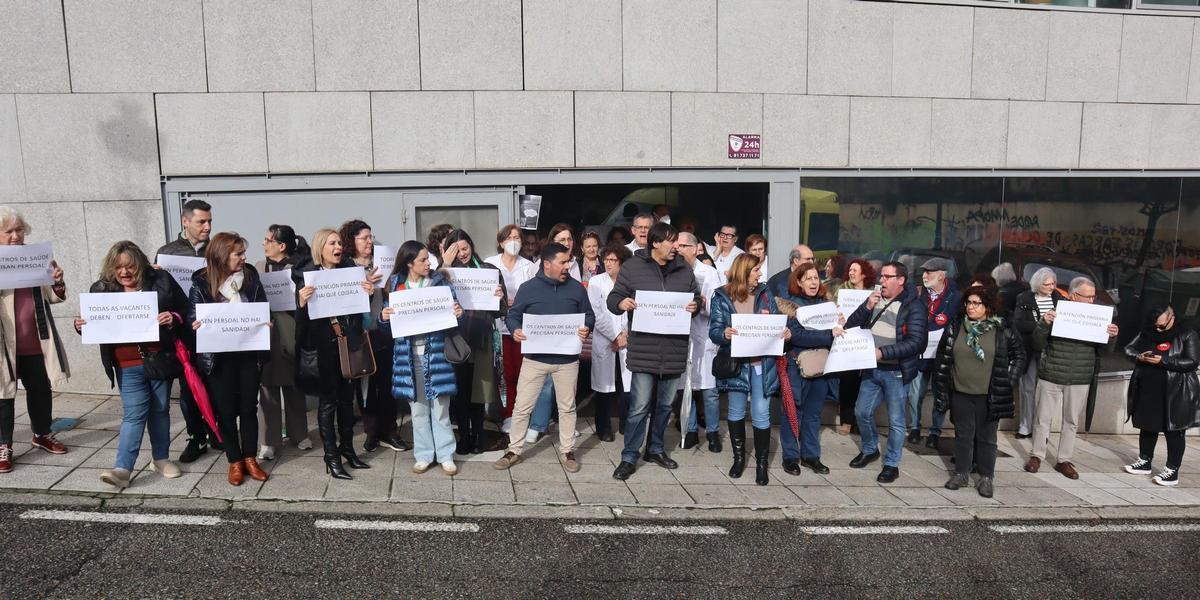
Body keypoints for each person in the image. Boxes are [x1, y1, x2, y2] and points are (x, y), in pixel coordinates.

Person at [72, 242, 183, 487]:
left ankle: (161, 458)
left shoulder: (161, 280)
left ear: (141, 265)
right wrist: (80, 326)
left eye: (130, 266)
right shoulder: (101, 290)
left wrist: (172, 318)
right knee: (134, 414)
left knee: (160, 410)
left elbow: (184, 310)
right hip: (126, 364)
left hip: (158, 360)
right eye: (118, 267)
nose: (125, 272)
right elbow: (93, 325)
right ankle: (123, 468)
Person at [608, 222, 700, 480]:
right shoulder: (633, 267)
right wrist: (621, 302)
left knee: (664, 406)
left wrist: (696, 306)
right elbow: (613, 298)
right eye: (672, 242)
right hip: (644, 350)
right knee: (638, 406)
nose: (676, 247)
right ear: (656, 243)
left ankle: (656, 448)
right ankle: (629, 456)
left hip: (673, 350)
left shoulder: (684, 268)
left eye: (679, 243)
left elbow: (696, 298)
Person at [493, 243, 595, 473]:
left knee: (567, 408)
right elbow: (513, 315)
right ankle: (514, 450)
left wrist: (586, 327)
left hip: (567, 361)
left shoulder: (577, 289)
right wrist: (516, 329)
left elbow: (589, 316)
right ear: (547, 264)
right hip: (535, 359)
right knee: (522, 407)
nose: (567, 266)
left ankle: (568, 450)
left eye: (569, 262)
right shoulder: (528, 288)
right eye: (562, 262)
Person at [188, 233, 270, 486]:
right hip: (218, 359)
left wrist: (265, 323)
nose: (244, 258)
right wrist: (196, 323)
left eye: (243, 253)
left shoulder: (251, 278)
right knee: (224, 412)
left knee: (248, 409)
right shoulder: (201, 284)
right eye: (238, 254)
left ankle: (250, 458)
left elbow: (261, 305)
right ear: (222, 256)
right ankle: (234, 460)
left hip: (247, 354)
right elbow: (192, 314)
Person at [932, 285, 1026, 499]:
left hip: (989, 394)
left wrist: (1008, 380)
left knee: (987, 438)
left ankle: (986, 477)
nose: (970, 307)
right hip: (960, 391)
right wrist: (942, 385)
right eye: (968, 302)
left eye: (976, 303)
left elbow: (1019, 356)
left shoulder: (1003, 329)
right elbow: (943, 357)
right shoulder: (956, 326)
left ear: (988, 306)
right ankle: (961, 474)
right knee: (963, 435)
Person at [296, 228, 376, 480]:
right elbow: (302, 323)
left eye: (339, 242)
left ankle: (348, 451)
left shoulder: (350, 273)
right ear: (321, 248)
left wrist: (367, 294)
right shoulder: (307, 277)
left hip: (346, 346)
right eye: (332, 243)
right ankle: (331, 458)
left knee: (346, 401)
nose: (338, 246)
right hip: (323, 350)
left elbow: (358, 314)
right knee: (328, 404)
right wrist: (301, 303)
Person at [380, 241, 464, 475]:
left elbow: (456, 318)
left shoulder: (440, 282)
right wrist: (384, 317)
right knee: (417, 409)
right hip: (408, 357)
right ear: (409, 263)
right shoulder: (396, 285)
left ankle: (446, 454)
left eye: (429, 259)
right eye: (423, 260)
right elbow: (388, 329)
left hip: (436, 355)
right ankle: (424, 454)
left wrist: (459, 313)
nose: (429, 263)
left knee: (440, 408)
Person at [1025, 276, 1119, 480]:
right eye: (1088, 297)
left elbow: (1104, 352)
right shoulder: (1059, 311)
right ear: (1074, 295)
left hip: (1079, 376)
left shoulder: (1099, 316)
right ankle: (1037, 455)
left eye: (1094, 297)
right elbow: (1037, 343)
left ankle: (1063, 460)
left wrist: (1112, 336)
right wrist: (1044, 324)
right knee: (1042, 419)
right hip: (1051, 373)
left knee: (1071, 421)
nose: (1092, 301)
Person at [0, 207, 70, 475]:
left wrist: (58, 282)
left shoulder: (35, 257)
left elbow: (53, 297)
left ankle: (42, 433)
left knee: (40, 389)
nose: (16, 236)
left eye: (19, 230)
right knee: (3, 395)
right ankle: (4, 445)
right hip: (4, 343)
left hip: (35, 340)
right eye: (9, 231)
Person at [844, 261, 928, 484]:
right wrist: (867, 307)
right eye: (881, 276)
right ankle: (870, 449)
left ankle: (892, 463)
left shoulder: (914, 306)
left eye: (886, 277)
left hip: (896, 371)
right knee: (861, 412)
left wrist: (883, 352)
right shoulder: (875, 298)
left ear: (900, 280)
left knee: (896, 420)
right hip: (872, 369)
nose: (881, 281)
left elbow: (916, 343)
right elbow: (851, 326)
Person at [709, 254, 790, 485]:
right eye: (756, 270)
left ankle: (761, 465)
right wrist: (723, 333)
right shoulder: (722, 296)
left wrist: (784, 333)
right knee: (735, 412)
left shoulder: (765, 294)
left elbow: (777, 322)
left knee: (761, 413)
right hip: (737, 364)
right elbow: (714, 331)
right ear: (744, 272)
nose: (760, 274)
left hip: (761, 364)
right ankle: (738, 459)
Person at [156, 198, 217, 462]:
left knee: (216, 383)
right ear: (185, 221)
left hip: (212, 327)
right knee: (188, 388)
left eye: (209, 221)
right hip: (182, 332)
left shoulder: (217, 249)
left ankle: (219, 432)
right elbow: (159, 292)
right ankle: (196, 437)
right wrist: (154, 274)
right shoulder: (167, 252)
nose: (206, 227)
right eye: (201, 222)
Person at [338, 219, 406, 455]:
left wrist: (388, 285)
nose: (369, 241)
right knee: (364, 384)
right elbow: (345, 303)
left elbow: (394, 292)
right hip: (360, 333)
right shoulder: (346, 267)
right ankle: (371, 431)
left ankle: (390, 430)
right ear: (352, 241)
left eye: (370, 237)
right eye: (363, 238)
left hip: (384, 330)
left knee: (387, 383)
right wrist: (365, 290)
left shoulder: (382, 262)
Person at [776, 262, 843, 477]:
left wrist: (841, 324)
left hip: (821, 366)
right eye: (808, 279)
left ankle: (811, 456)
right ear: (798, 282)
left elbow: (838, 333)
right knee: (792, 411)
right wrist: (828, 335)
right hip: (796, 366)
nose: (813, 282)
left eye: (816, 278)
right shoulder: (790, 305)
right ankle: (790, 457)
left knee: (814, 414)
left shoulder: (827, 304)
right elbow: (797, 336)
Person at [444, 229, 507, 454]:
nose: (462, 253)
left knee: (479, 392)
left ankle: (479, 435)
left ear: (472, 245)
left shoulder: (489, 271)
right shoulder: (445, 274)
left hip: (481, 338)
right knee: (460, 392)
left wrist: (500, 298)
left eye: (465, 248)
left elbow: (502, 311)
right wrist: (445, 265)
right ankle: (464, 436)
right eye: (456, 250)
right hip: (456, 339)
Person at [1122, 304, 1199, 486]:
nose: (1158, 328)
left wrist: (1163, 360)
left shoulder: (1187, 334)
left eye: (1162, 326)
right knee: (1147, 425)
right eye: (1156, 325)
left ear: (1172, 317)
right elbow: (1128, 349)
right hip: (1148, 386)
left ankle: (1172, 470)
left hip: (1176, 390)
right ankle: (1144, 461)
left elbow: (1192, 362)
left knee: (1174, 430)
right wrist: (1140, 357)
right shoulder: (1147, 331)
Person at [255, 225, 313, 461]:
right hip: (266, 334)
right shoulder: (258, 268)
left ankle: (299, 434)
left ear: (282, 246)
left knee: (294, 386)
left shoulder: (300, 268)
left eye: (268, 240)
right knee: (267, 388)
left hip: (291, 331)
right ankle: (268, 440)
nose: (264, 243)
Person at [484, 225, 536, 433]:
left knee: (523, 373)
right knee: (504, 372)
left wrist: (519, 303)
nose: (513, 241)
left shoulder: (528, 266)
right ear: (501, 241)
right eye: (509, 237)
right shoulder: (490, 263)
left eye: (517, 237)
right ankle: (507, 414)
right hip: (499, 327)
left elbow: (534, 294)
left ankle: (522, 413)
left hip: (522, 327)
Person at [675, 232, 723, 451]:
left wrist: (701, 304)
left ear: (696, 249)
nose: (680, 249)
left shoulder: (709, 273)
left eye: (685, 245)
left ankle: (713, 432)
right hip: (680, 336)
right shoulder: (672, 271)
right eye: (678, 245)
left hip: (703, 336)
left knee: (709, 390)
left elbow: (717, 308)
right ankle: (690, 429)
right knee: (686, 387)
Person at [908, 258, 962, 450]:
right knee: (915, 393)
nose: (924, 276)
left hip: (942, 355)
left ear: (941, 275)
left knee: (940, 394)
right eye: (924, 272)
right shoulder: (918, 293)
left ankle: (934, 432)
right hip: (921, 352)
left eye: (929, 272)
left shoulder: (955, 297)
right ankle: (914, 427)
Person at [1012, 267, 1064, 439]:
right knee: (1027, 388)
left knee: (1047, 392)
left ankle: (1043, 430)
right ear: (1037, 284)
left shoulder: (1059, 299)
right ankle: (1025, 426)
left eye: (1053, 283)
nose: (1051, 287)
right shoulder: (1024, 298)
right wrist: (1042, 325)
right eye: (1047, 284)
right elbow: (1018, 324)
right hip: (1029, 348)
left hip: (1051, 350)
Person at [588, 244, 633, 442]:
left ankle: (626, 424)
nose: (608, 263)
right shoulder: (596, 282)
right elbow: (596, 314)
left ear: (622, 263)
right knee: (604, 388)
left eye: (613, 260)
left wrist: (625, 336)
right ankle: (603, 427)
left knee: (626, 387)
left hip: (627, 341)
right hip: (605, 339)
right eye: (605, 259)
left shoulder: (631, 283)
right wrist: (615, 336)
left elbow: (634, 312)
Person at [835, 259, 875, 436]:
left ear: (864, 274)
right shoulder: (841, 291)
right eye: (850, 270)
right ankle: (846, 420)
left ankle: (859, 422)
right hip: (848, 340)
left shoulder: (873, 293)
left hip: (866, 340)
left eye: (855, 270)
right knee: (847, 381)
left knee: (863, 383)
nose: (851, 273)